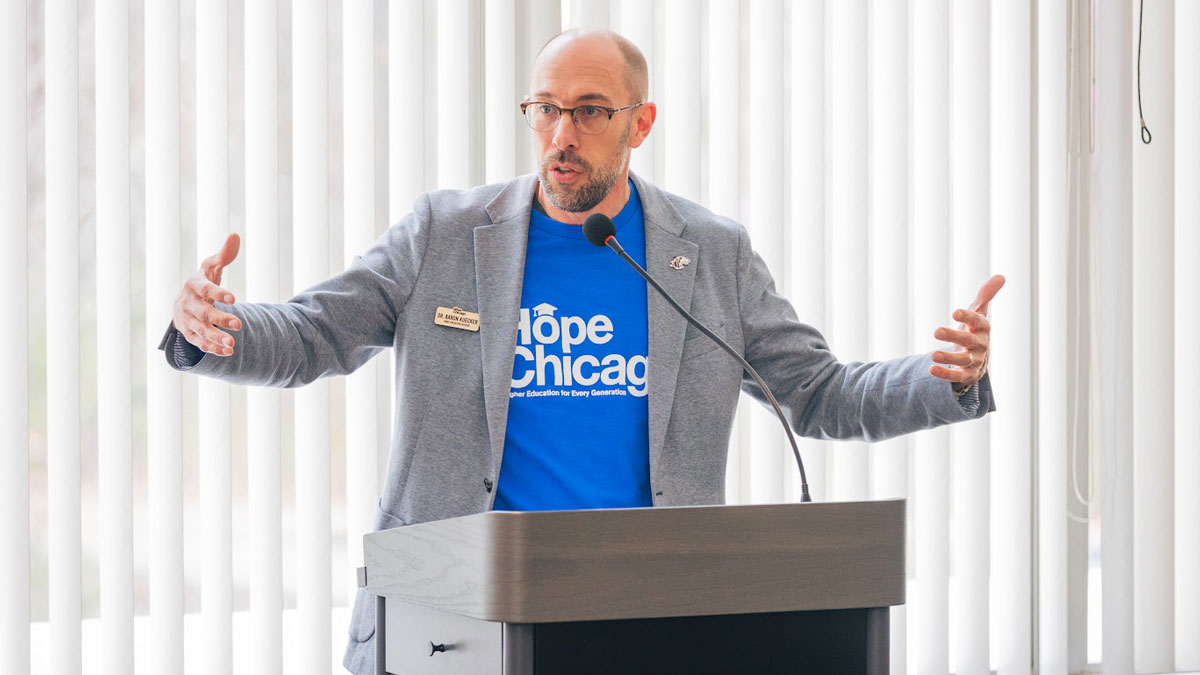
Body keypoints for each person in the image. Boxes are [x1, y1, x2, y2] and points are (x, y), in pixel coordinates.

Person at [160, 28, 1002, 675]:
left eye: (591, 110)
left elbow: (818, 393)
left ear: (641, 122)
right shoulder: (447, 235)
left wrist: (941, 378)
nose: (563, 132)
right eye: (546, 108)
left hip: (645, 613)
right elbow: (314, 333)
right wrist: (219, 330)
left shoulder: (710, 253)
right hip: (459, 617)